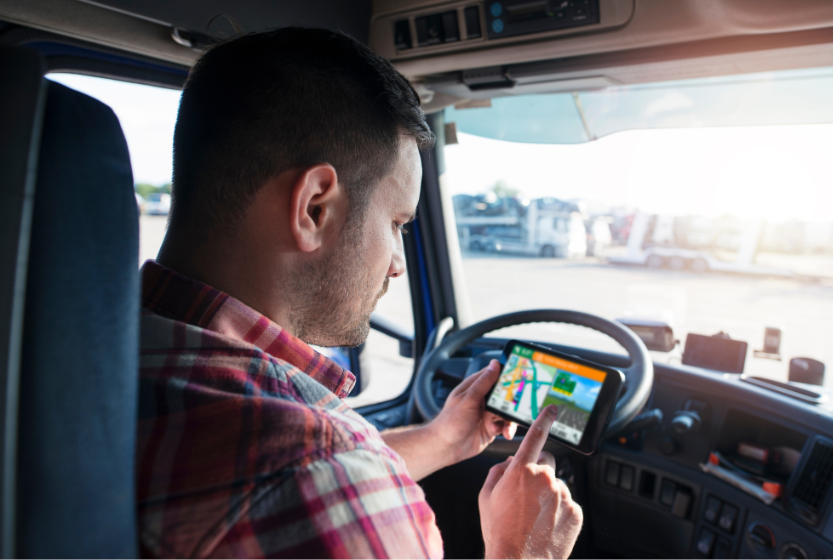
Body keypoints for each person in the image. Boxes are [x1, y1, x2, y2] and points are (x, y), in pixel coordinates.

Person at [137, 27, 583, 559]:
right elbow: (319, 473)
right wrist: (524, 551)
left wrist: (444, 439)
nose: (397, 264)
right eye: (396, 222)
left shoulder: (91, 344)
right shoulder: (321, 474)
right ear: (314, 207)